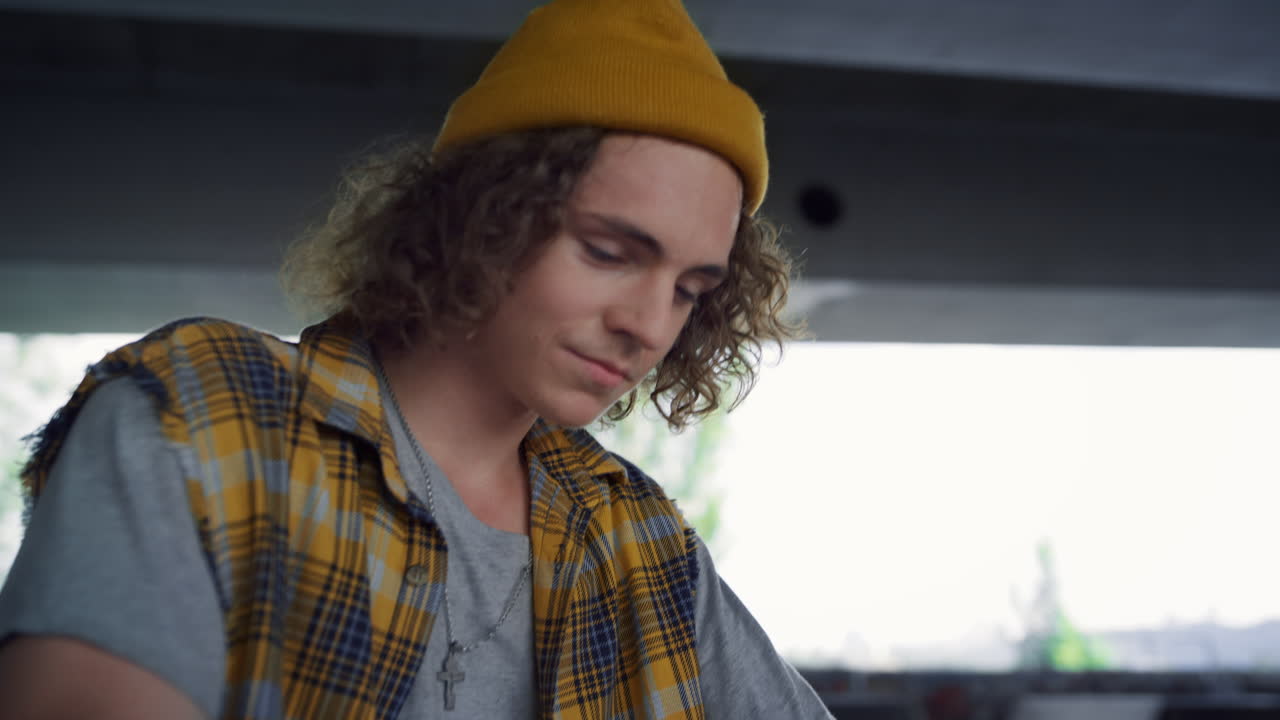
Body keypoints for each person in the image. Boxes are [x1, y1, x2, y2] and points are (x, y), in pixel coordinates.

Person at [0, 0, 833, 717]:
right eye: (608, 252)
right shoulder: (206, 414)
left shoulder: (640, 541)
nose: (649, 326)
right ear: (483, 215)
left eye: (689, 289)